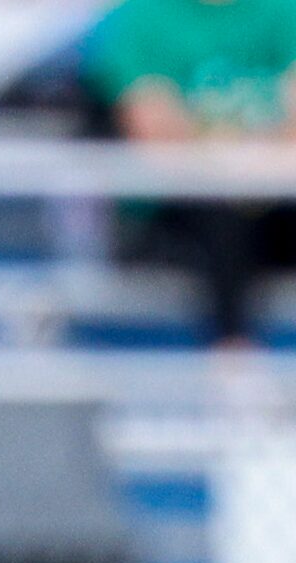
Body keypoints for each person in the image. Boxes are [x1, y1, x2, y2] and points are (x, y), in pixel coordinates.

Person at [88, 0, 296, 345]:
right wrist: (247, 155)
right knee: (222, 211)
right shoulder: (138, 18)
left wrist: (230, 155)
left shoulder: (282, 11)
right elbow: (157, 135)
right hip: (176, 215)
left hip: (272, 204)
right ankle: (233, 361)